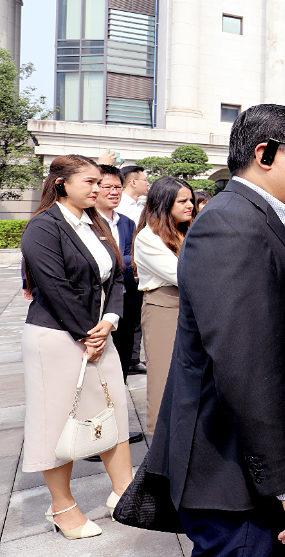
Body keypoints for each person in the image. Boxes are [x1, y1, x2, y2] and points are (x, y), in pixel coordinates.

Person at [144, 104, 285, 556]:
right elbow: (247, 368)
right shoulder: (229, 224)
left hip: (254, 467)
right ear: (266, 154)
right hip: (232, 475)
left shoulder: (273, 218)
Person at [20, 154, 133, 539]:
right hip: (56, 338)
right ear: (61, 183)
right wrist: (88, 332)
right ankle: (62, 507)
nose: (98, 189)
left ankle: (125, 492)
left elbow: (117, 277)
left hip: (98, 333)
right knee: (57, 420)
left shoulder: (95, 223)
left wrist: (110, 321)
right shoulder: (44, 227)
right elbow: (55, 289)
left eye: (99, 182)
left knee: (113, 408)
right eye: (89, 182)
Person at [132, 176, 194, 435]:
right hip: (163, 309)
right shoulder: (148, 237)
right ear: (164, 203)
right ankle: (160, 441)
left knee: (190, 376)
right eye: (183, 201)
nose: (190, 205)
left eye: (191, 199)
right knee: (164, 377)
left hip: (190, 306)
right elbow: (183, 275)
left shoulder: (185, 230)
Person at [93, 165, 145, 383]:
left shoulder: (127, 222)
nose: (114, 192)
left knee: (123, 353)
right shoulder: (88, 222)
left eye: (118, 187)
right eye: (108, 187)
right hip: (97, 300)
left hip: (125, 297)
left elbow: (128, 257)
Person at [118, 164, 149, 372]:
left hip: (139, 269)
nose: (148, 184)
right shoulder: (119, 207)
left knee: (137, 315)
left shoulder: (141, 208)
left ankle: (133, 359)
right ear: (133, 182)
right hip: (125, 269)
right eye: (145, 180)